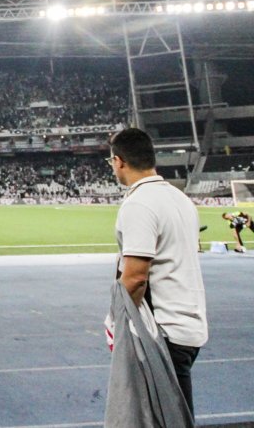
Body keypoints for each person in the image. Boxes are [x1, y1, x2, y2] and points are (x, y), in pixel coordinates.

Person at [108, 128, 207, 419]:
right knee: (174, 415)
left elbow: (136, 275)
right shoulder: (180, 199)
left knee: (160, 419)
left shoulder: (139, 202)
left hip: (163, 331)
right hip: (188, 324)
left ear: (119, 161)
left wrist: (117, 320)